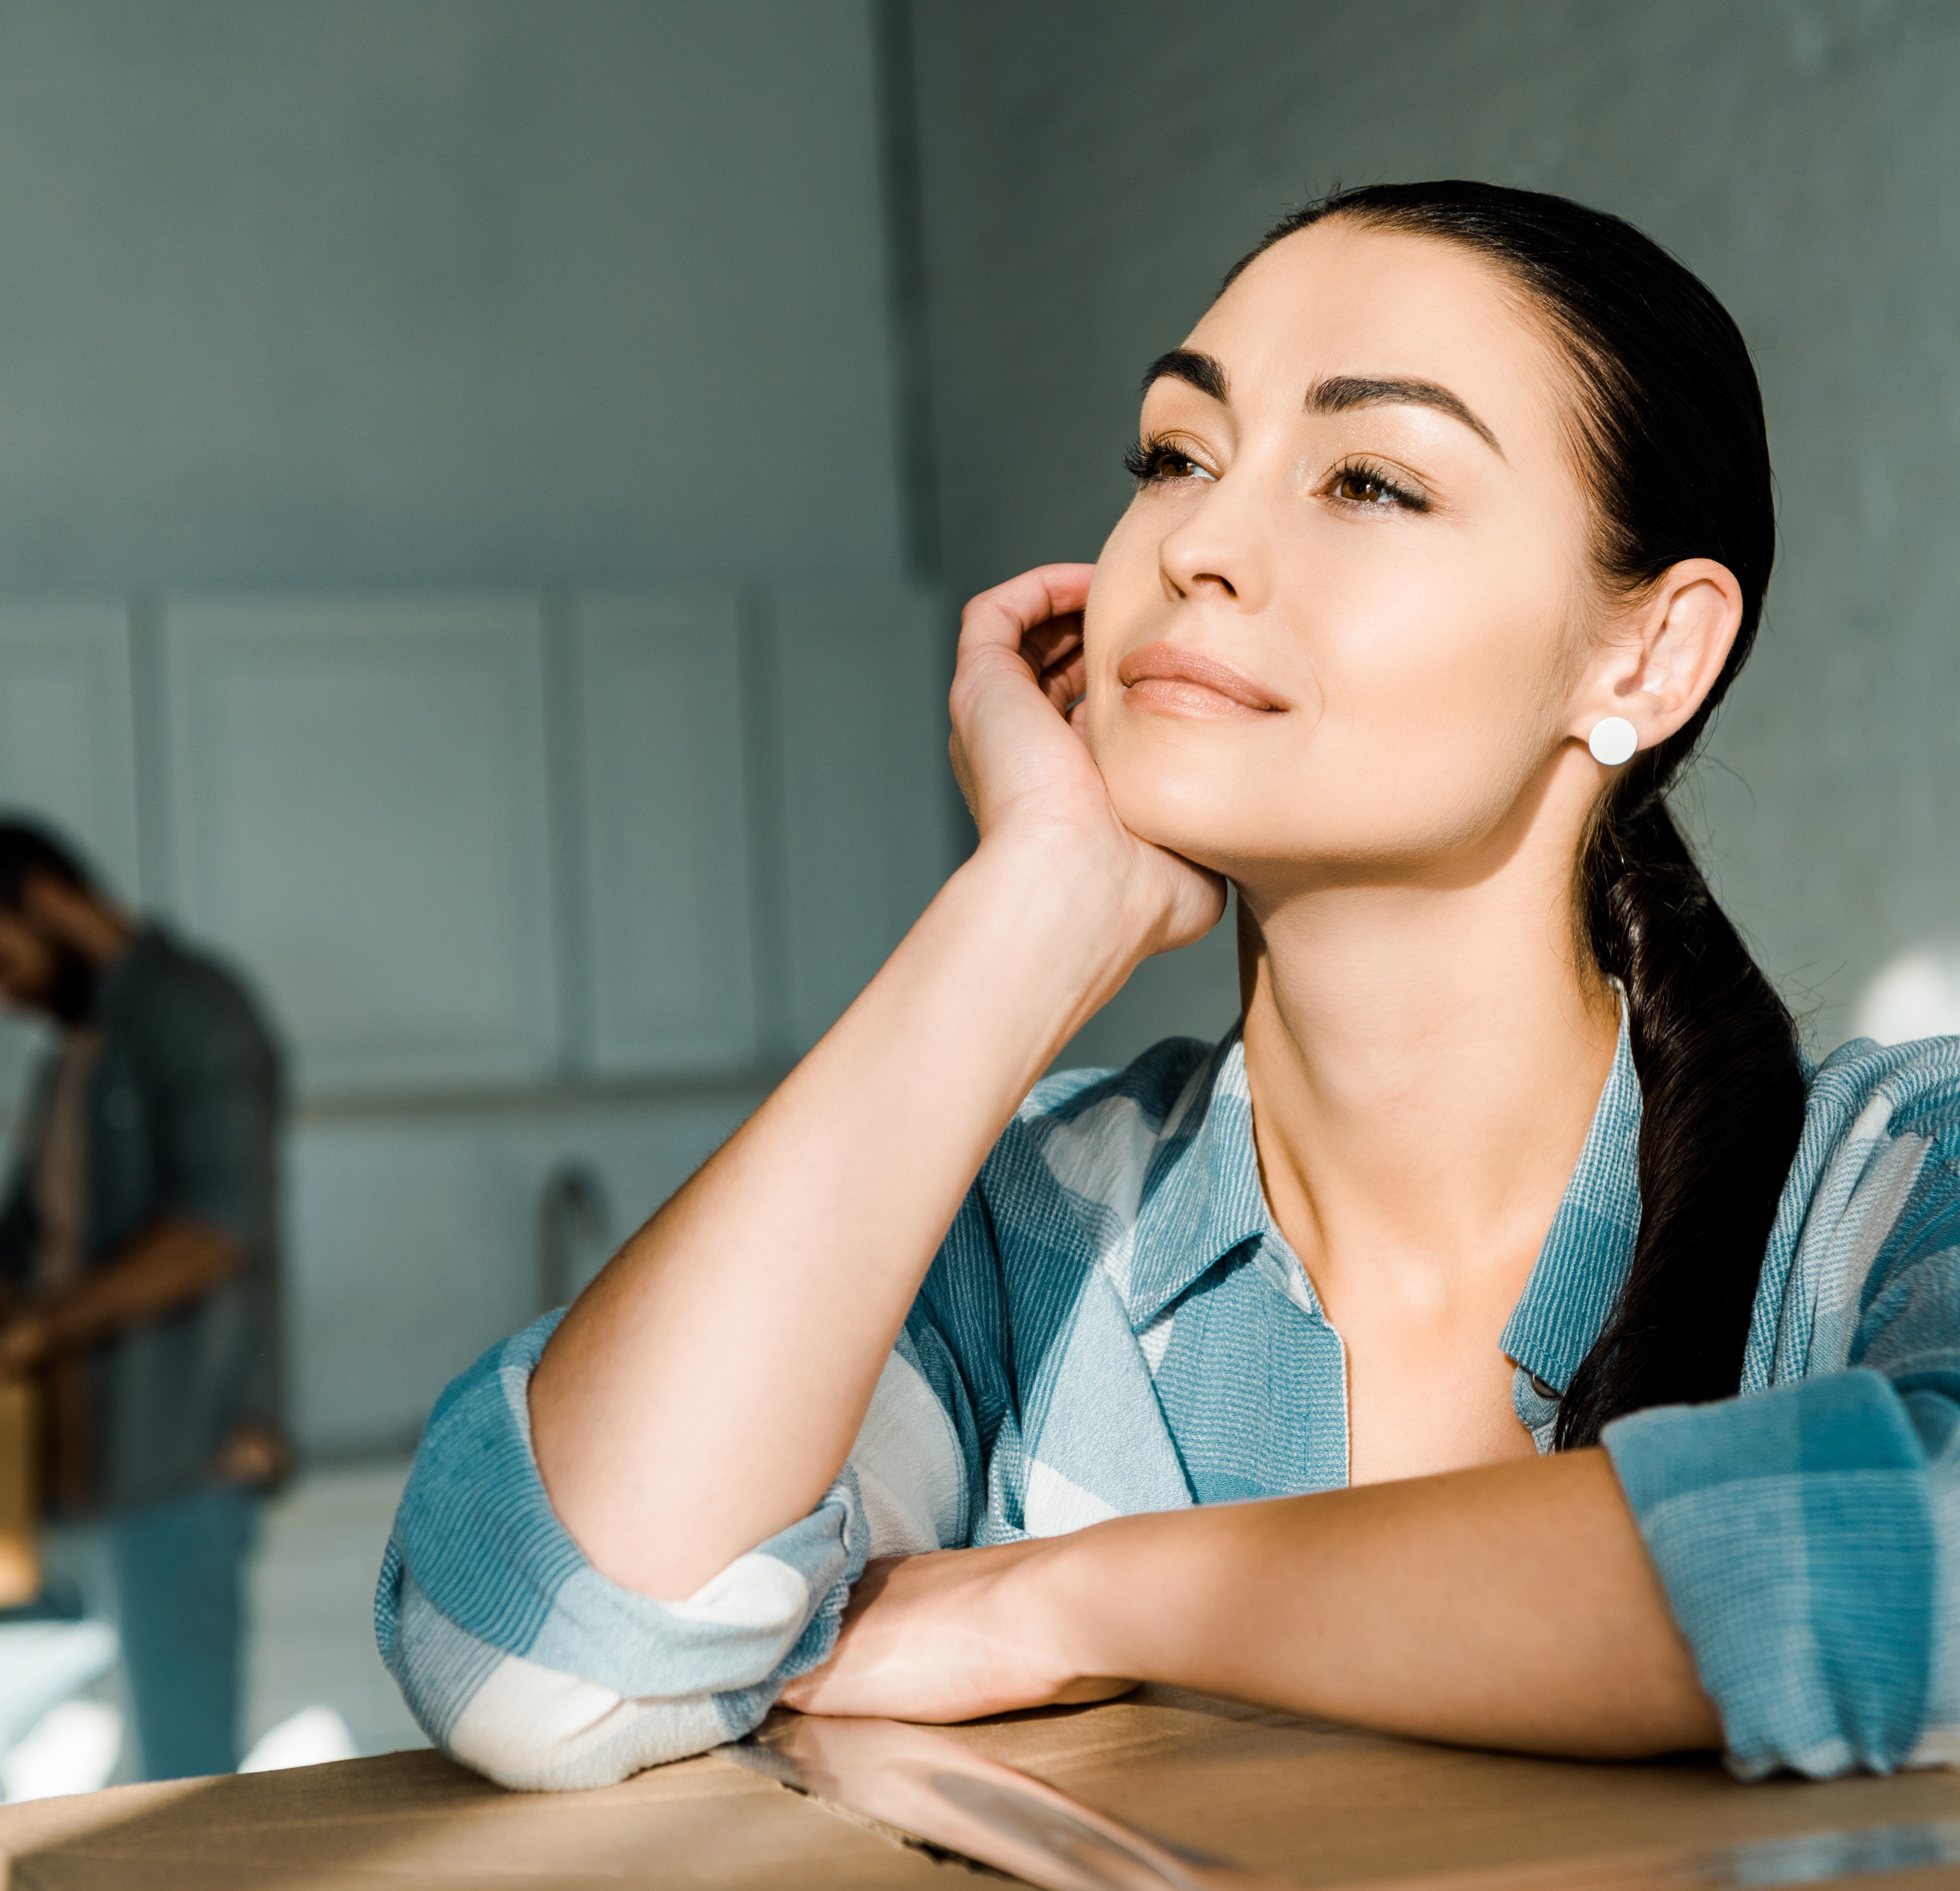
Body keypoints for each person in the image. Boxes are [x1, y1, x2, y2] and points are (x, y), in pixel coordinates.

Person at [378, 181, 1960, 1792]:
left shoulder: (1894, 1191)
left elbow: (1916, 1563)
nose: (1197, 544)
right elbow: (536, 1663)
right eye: (1175, 456)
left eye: (1369, 479)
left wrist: (1068, 1605)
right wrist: (1034, 903)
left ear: (1649, 657)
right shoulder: (1031, 1247)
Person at [0, 817, 284, 1891]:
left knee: (185, 1807)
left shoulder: (194, 1012)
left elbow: (216, 1231)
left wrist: (28, 1339)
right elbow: (7, 1250)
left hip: (177, 1473)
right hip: (65, 1501)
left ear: (47, 899)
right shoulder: (77, 1054)